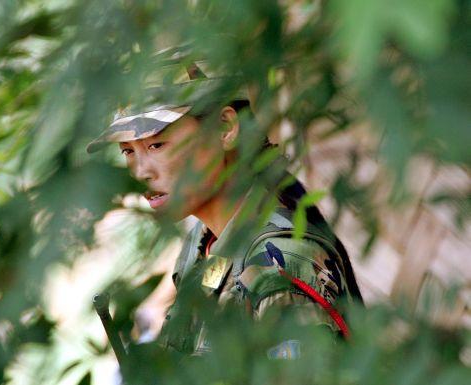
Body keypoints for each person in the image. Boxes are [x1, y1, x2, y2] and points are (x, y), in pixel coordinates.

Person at [86, 56, 363, 359]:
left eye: (156, 145)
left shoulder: (277, 270)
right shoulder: (202, 242)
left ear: (226, 128)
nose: (141, 172)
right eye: (128, 151)